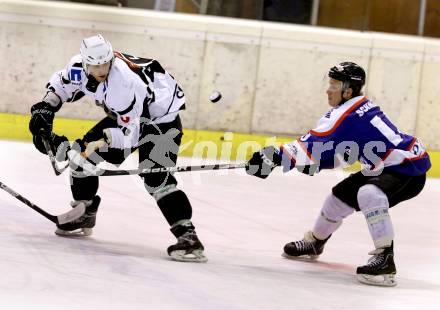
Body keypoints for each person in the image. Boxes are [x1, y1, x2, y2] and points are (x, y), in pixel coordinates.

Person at [245, 62, 431, 286]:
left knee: (369, 193)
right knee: (337, 199)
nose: (328, 89)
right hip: (387, 165)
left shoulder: (346, 117)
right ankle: (315, 242)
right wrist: (306, 164)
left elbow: (311, 144)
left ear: (348, 90)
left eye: (333, 84)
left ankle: (385, 260)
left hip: (407, 168)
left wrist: (274, 156)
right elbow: (336, 154)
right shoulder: (350, 110)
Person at [28, 34, 207, 262]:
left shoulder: (122, 83)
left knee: (157, 179)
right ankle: (85, 212)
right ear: (85, 62)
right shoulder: (77, 67)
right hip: (128, 117)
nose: (101, 69)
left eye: (105, 63)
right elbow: (61, 87)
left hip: (161, 120)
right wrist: (45, 108)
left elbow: (130, 136)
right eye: (95, 64)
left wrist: (99, 142)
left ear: (111, 58)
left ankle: (188, 238)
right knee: (83, 155)